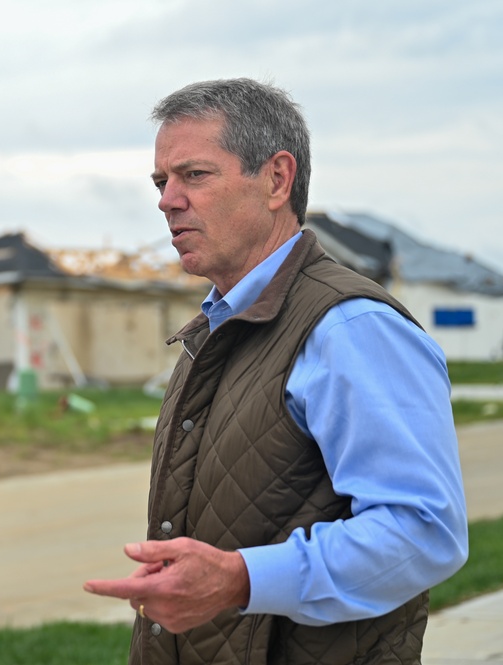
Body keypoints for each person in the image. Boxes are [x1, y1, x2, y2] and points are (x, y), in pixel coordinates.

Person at [83, 78, 468, 664]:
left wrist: (241, 579)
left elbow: (424, 533)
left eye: (195, 175)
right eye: (162, 182)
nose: (167, 200)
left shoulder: (350, 328)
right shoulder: (218, 327)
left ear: (276, 179)